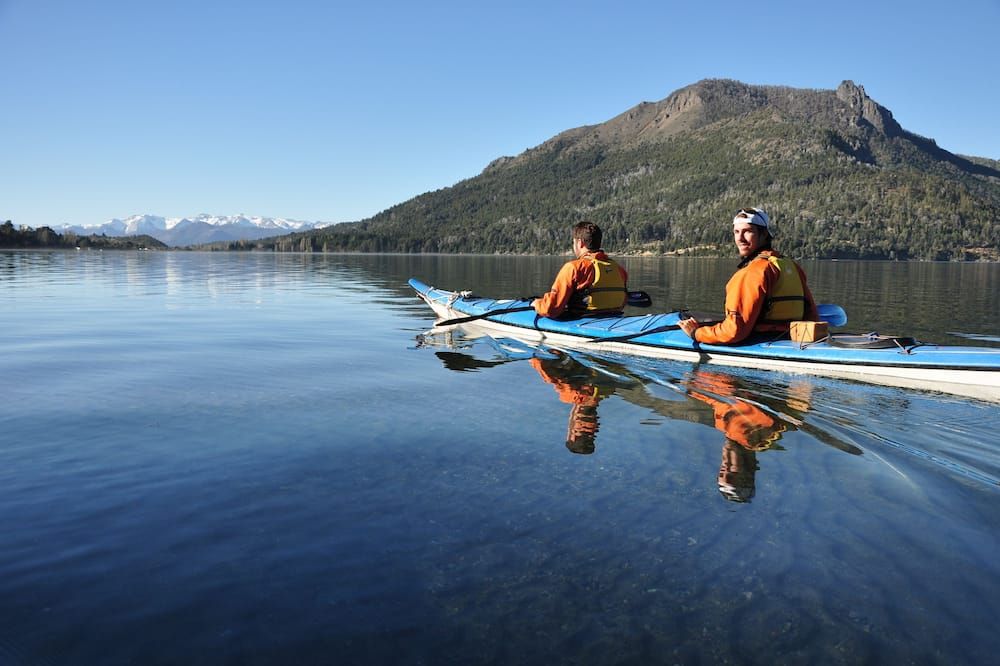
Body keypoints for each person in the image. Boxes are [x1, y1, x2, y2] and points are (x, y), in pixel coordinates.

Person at [678, 207, 818, 344]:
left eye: (747, 232)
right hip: (790, 338)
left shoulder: (752, 272)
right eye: (736, 232)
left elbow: (734, 331)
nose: (740, 238)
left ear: (763, 235)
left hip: (762, 340)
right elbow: (812, 315)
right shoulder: (791, 266)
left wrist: (696, 333)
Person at [532, 221, 628, 319]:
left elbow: (551, 308)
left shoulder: (574, 268)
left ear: (580, 243)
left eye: (573, 242)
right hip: (613, 318)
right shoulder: (619, 269)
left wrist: (537, 304)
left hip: (584, 320)